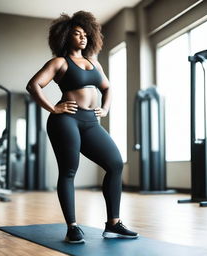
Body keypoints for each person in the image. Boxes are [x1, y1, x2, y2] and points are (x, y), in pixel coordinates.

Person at [26, 10, 139, 244]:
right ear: (66, 36)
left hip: (90, 121)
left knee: (115, 163)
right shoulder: (59, 62)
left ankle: (113, 224)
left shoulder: (93, 63)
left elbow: (107, 88)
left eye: (85, 34)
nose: (83, 37)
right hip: (66, 120)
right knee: (69, 170)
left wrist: (105, 109)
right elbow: (34, 85)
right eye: (77, 34)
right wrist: (53, 108)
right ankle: (72, 227)